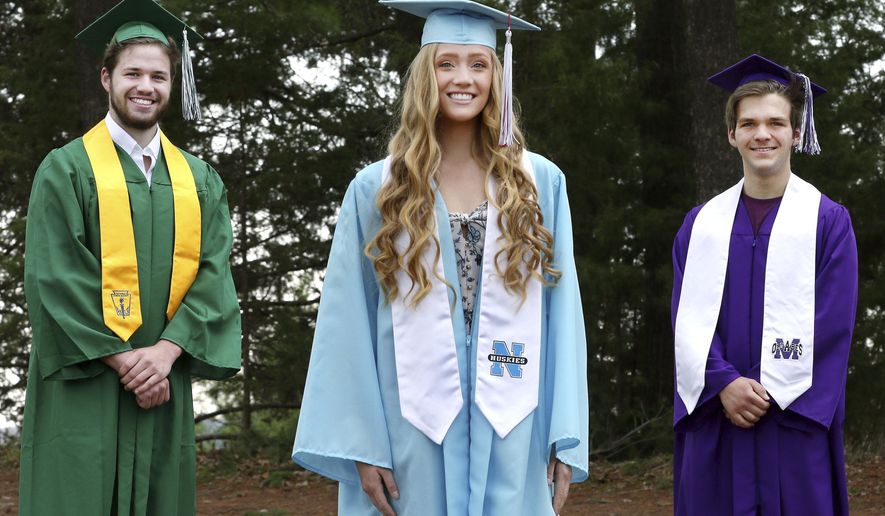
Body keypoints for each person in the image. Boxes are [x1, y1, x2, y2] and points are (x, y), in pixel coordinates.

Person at [292, 1, 588, 514]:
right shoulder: (377, 189)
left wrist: (565, 434)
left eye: (478, 64)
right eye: (446, 63)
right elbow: (347, 321)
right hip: (410, 422)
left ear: (498, 76)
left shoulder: (540, 183)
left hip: (514, 417)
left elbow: (563, 314)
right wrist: (364, 445)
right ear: (425, 75)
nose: (463, 79)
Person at [18, 0, 241, 514]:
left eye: (159, 76)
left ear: (172, 83)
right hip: (87, 379)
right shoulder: (66, 170)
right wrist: (128, 363)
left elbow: (213, 275)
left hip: (165, 379)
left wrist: (163, 356)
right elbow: (55, 278)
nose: (146, 86)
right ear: (106, 78)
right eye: (132, 73)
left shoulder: (199, 181)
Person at [671, 54, 858, 515]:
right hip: (717, 418)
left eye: (776, 122)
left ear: (796, 132)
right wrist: (724, 383)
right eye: (749, 123)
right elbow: (685, 321)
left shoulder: (827, 222)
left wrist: (773, 388)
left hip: (792, 424)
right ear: (731, 134)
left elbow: (833, 327)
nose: (762, 134)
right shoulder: (700, 226)